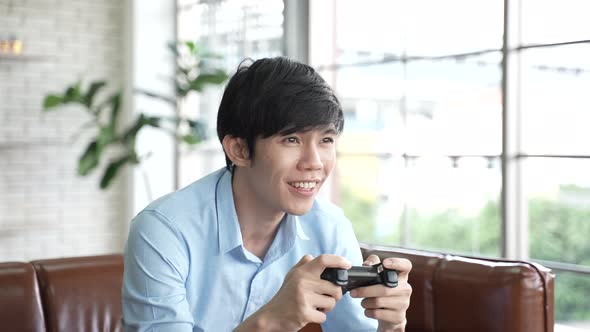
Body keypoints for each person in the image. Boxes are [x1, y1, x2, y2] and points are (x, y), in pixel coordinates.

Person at [122, 57, 412, 332]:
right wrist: (271, 321)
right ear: (239, 150)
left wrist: (391, 325)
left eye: (326, 140)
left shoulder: (330, 227)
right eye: (291, 139)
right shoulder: (162, 230)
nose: (314, 162)